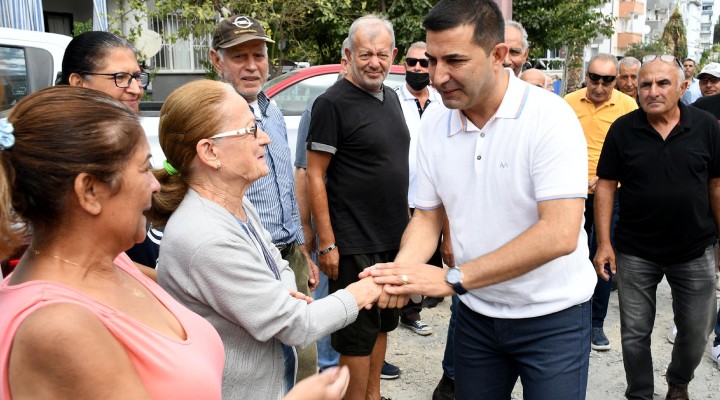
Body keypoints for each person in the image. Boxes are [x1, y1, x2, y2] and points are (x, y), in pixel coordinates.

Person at [364, 0, 597, 398]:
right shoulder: (436, 121)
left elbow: (559, 232)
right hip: (476, 316)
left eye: (454, 60)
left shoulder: (550, 118)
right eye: (432, 60)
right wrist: (401, 274)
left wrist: (454, 278)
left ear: (499, 55)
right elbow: (426, 217)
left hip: (553, 316)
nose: (438, 76)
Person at [150, 79, 381, 400]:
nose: (266, 138)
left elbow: (275, 260)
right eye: (249, 131)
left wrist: (281, 296)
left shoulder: (235, 202)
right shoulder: (205, 236)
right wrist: (362, 292)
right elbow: (297, 326)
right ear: (209, 151)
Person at [0, 86, 224, 399]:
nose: (155, 185)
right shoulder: (58, 328)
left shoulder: (109, 260)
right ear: (89, 191)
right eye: (144, 167)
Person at [594, 54, 720, 400]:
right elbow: (606, 185)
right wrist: (604, 243)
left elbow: (716, 184)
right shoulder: (623, 129)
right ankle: (640, 393)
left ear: (682, 87)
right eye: (645, 84)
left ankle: (678, 381)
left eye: (662, 83)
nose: (651, 91)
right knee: (634, 333)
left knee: (696, 331)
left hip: (694, 250)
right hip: (636, 250)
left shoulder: (706, 127)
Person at [209, 15, 320, 381]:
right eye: (239, 57)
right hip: (249, 262)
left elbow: (285, 185)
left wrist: (302, 249)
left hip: (289, 255)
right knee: (264, 370)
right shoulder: (208, 117)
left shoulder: (269, 108)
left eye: (258, 55)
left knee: (304, 362)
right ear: (216, 60)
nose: (252, 66)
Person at [306, 15, 409, 400]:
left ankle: (373, 395)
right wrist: (327, 244)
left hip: (392, 238)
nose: (374, 62)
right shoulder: (331, 103)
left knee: (382, 324)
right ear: (347, 54)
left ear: (393, 55)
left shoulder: (393, 97)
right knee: (355, 337)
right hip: (353, 242)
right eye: (365, 54)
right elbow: (314, 176)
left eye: (382, 54)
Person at [58, 30, 163, 272]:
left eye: (137, 77)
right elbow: (89, 263)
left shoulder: (124, 140)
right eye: (121, 77)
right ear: (78, 83)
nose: (136, 89)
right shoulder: (64, 156)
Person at [564, 53, 638, 352]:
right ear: (587, 76)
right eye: (595, 77)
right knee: (568, 252)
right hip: (571, 191)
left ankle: (596, 323)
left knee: (603, 255)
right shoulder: (568, 102)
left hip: (611, 192)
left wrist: (608, 179)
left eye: (608, 79)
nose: (600, 85)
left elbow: (634, 153)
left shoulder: (627, 106)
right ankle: (568, 318)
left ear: (615, 80)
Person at [395, 41, 449, 337]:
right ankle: (408, 311)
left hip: (433, 194)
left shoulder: (444, 103)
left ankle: (416, 306)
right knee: (407, 251)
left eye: (423, 63)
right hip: (401, 194)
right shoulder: (391, 100)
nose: (417, 68)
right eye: (412, 63)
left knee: (432, 251)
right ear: (404, 64)